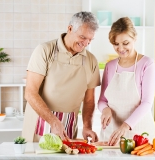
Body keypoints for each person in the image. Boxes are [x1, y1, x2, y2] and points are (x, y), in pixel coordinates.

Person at [22, 11, 100, 143]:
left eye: (90, 40)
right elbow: (30, 93)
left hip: (68, 125)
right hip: (39, 122)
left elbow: (89, 100)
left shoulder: (91, 60)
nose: (86, 43)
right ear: (70, 29)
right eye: (82, 37)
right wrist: (53, 121)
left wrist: (87, 126)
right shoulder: (44, 51)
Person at [98, 17, 155, 146]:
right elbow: (102, 100)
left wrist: (125, 126)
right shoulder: (110, 66)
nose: (120, 48)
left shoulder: (147, 64)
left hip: (140, 134)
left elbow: (147, 103)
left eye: (125, 43)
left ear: (134, 38)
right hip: (111, 135)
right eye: (116, 44)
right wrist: (105, 110)